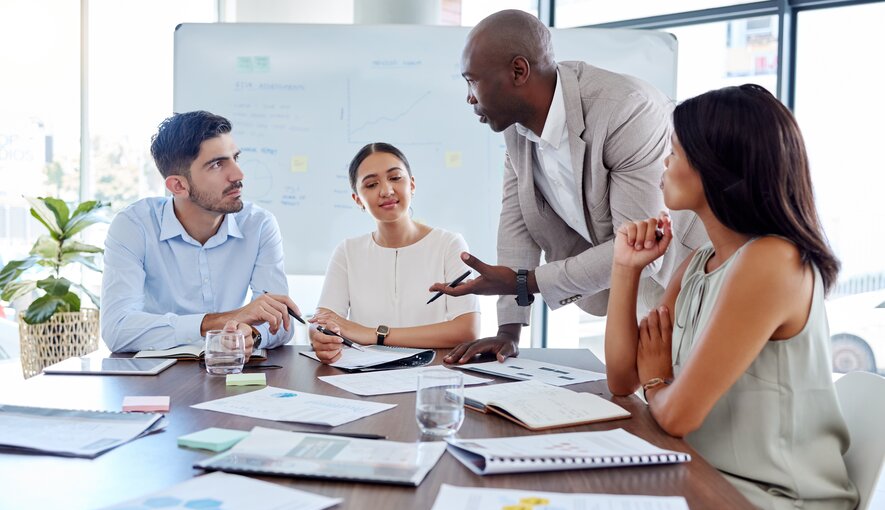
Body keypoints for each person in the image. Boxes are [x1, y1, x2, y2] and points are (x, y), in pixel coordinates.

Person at [605, 85, 858, 510]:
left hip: (772, 503)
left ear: (717, 170)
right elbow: (622, 377)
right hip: (702, 478)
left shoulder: (772, 261)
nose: (665, 163)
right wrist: (625, 268)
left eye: (675, 152)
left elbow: (676, 415)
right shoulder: (698, 263)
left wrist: (658, 382)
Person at [430, 9, 706, 364]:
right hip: (631, 293)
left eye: (472, 81)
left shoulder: (625, 110)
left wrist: (525, 282)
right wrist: (507, 332)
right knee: (644, 398)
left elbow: (641, 243)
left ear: (518, 71)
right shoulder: (517, 129)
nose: (469, 97)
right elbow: (516, 223)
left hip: (694, 277)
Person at [101, 111, 299, 356]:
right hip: (156, 381)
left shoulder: (258, 225)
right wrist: (219, 322)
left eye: (235, 158)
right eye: (217, 164)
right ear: (178, 186)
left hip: (231, 370)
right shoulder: (134, 226)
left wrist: (252, 335)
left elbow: (281, 321)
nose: (238, 175)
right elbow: (118, 329)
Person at [309, 143, 481, 363]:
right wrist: (320, 336)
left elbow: (467, 329)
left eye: (395, 178)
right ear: (357, 199)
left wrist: (373, 334)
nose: (386, 191)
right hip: (363, 378)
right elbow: (322, 320)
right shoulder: (347, 251)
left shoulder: (449, 244)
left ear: (412, 184)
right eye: (371, 184)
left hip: (431, 374)